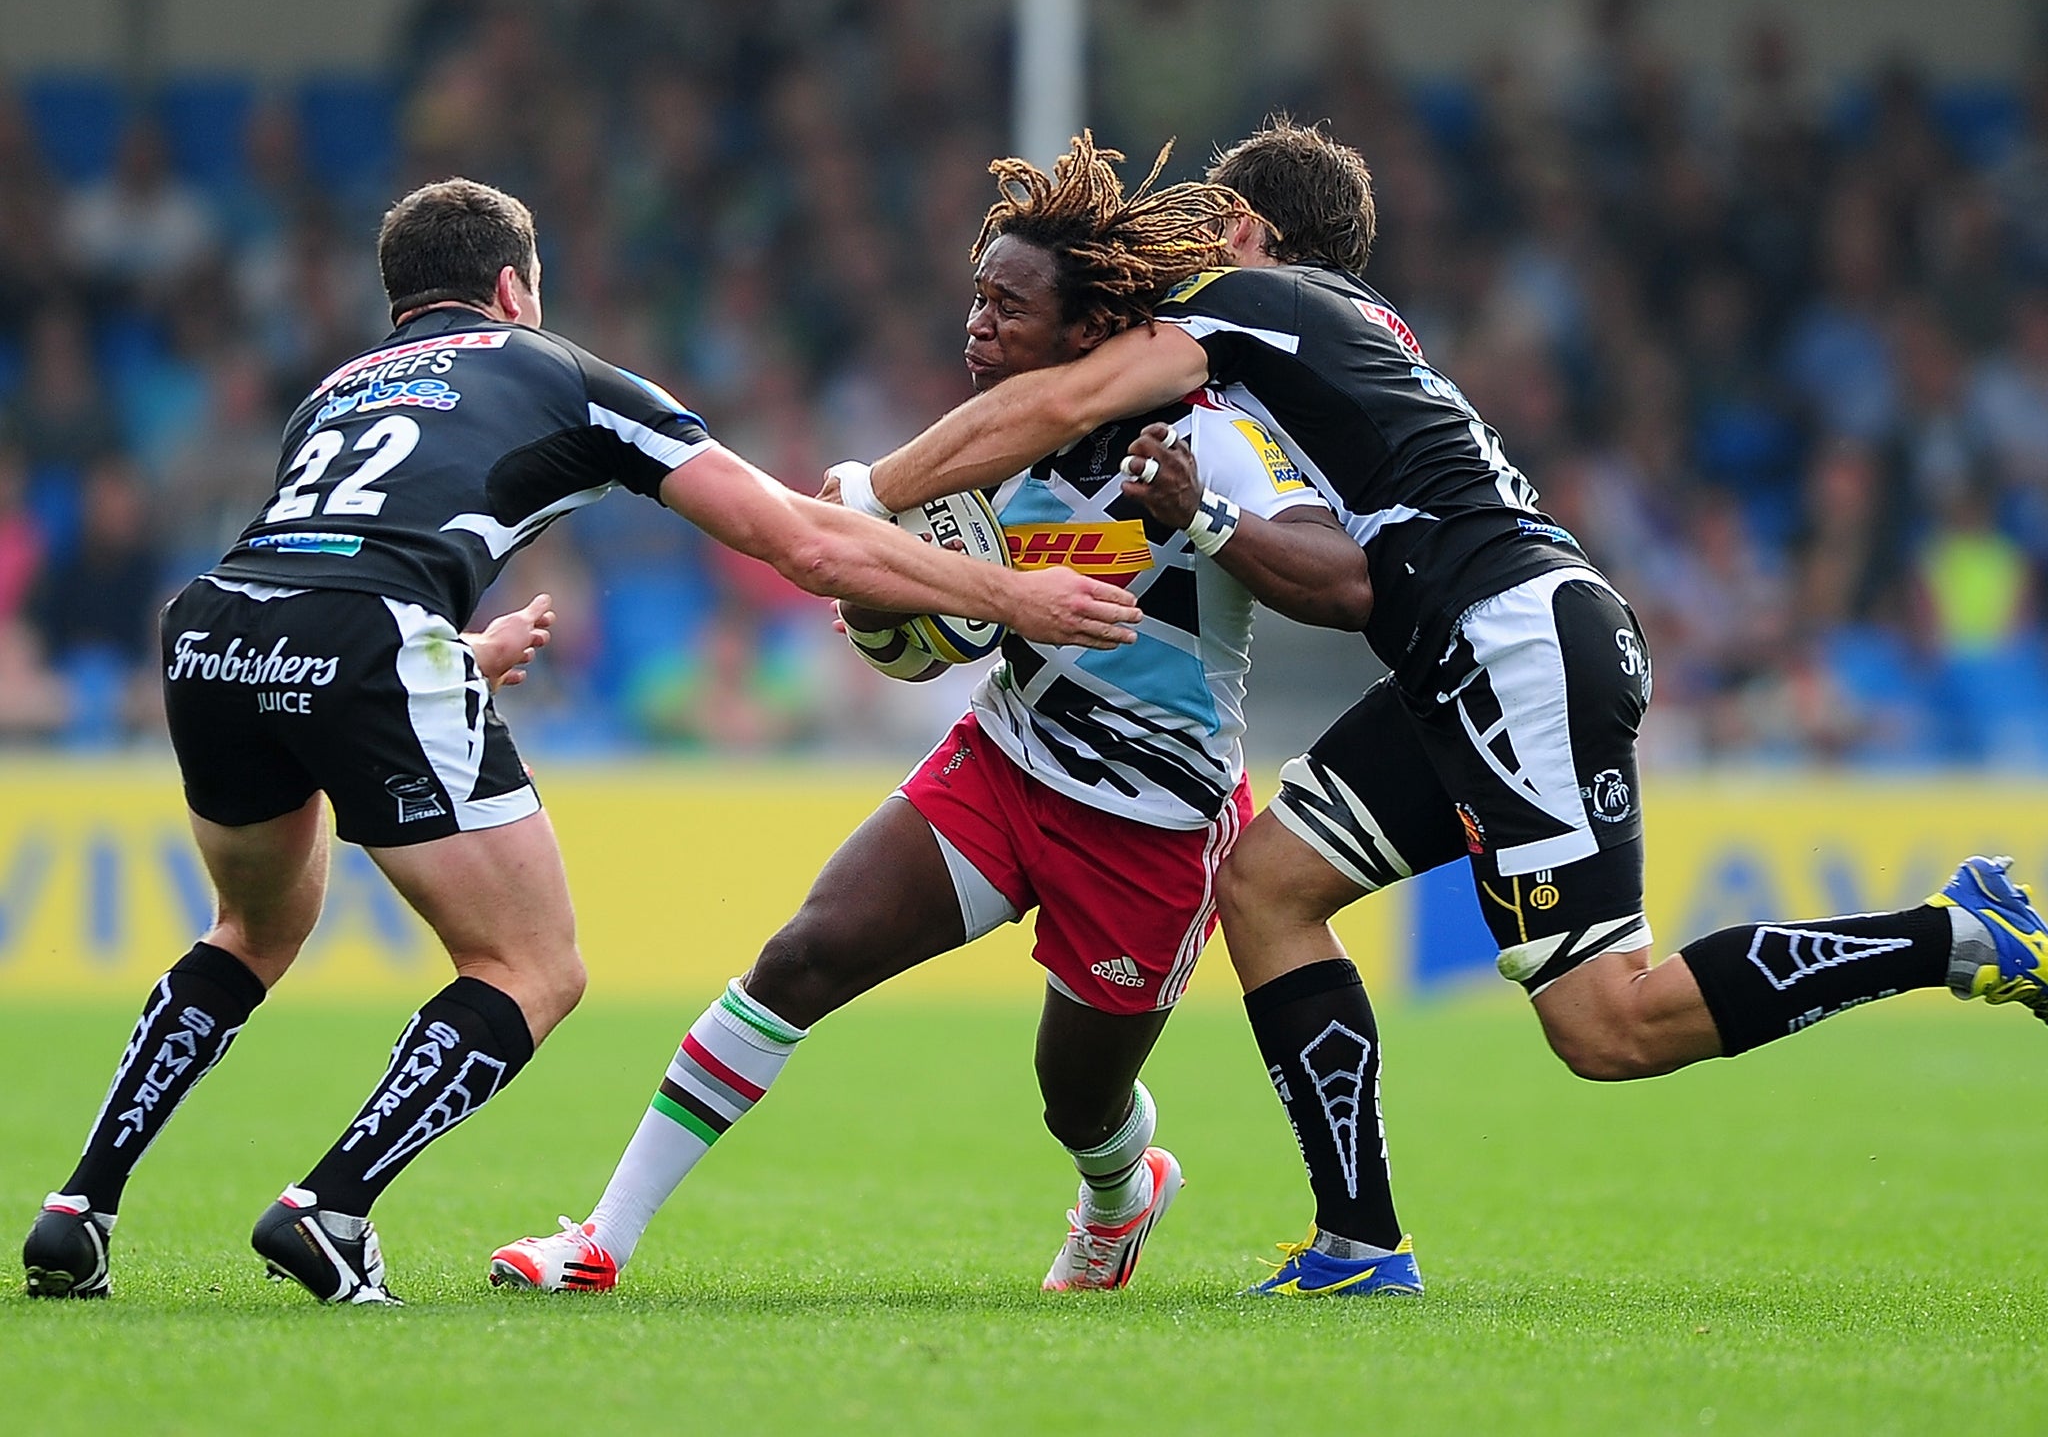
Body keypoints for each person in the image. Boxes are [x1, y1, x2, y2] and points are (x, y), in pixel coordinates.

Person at [826, 115, 2048, 1298]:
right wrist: (1204, 516)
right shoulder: (1328, 337)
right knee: (1265, 884)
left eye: (1207, 227)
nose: (1183, 264)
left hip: (1512, 645)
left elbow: (1051, 406)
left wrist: (864, 496)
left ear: (1246, 227)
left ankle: (1949, 933)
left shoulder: (1254, 304)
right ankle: (1360, 1242)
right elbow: (1341, 577)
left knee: (1605, 1026)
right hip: (1453, 659)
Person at [20, 177, 1140, 1305]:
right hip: (362, 645)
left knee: (253, 926)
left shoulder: (335, 388)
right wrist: (1011, 595)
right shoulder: (562, 373)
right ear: (514, 287)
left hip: (213, 631)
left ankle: (81, 1206)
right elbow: (804, 543)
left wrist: (452, 657)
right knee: (531, 967)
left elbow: (327, 562)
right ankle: (331, 1208)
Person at [487, 133, 1371, 1295]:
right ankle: (600, 1239)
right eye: (975, 298)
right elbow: (909, 637)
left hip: (1155, 818)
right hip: (1002, 765)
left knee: (1078, 1099)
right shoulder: (982, 450)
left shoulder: (1205, 434)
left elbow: (1330, 565)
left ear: (1087, 331)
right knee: (802, 957)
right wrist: (885, 615)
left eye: (1008, 306)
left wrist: (1200, 519)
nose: (978, 325)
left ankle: (1121, 1189)